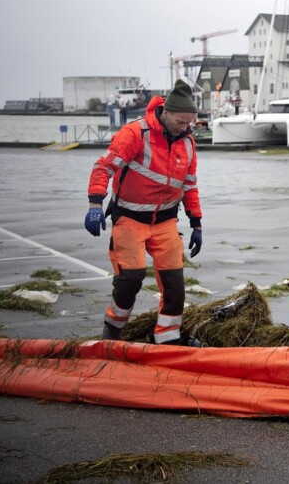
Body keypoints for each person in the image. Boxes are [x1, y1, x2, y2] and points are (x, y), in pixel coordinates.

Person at [85, 79, 204, 346]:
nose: (186, 128)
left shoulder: (187, 142)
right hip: (129, 218)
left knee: (175, 285)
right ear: (166, 113)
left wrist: (196, 223)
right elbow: (104, 167)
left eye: (189, 124)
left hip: (165, 222)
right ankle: (113, 328)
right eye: (181, 122)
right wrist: (95, 203)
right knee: (130, 279)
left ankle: (167, 338)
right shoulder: (134, 134)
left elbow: (189, 185)